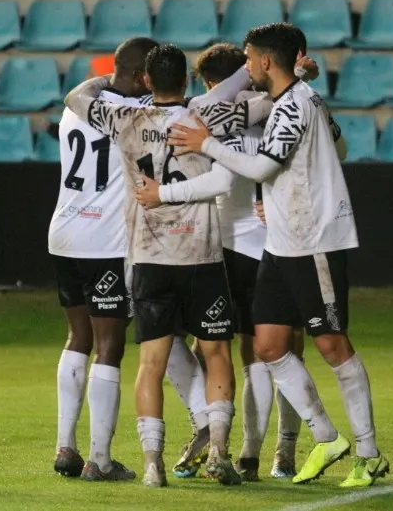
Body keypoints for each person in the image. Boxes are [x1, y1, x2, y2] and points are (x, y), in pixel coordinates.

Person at [167, 24, 390, 488]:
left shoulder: (294, 104)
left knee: (332, 345)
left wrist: (205, 143)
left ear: (266, 61)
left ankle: (368, 453)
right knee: (268, 347)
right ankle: (326, 438)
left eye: (250, 58)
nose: (247, 66)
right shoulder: (294, 100)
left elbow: (263, 166)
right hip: (280, 243)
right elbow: (336, 147)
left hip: (314, 241)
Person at [63, 43, 274, 488]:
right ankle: (218, 451)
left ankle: (152, 465)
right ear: (185, 80)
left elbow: (75, 98)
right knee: (216, 353)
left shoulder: (124, 118)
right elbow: (258, 105)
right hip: (200, 255)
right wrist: (265, 74)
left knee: (151, 363)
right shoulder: (205, 115)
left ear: (145, 80)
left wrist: (109, 77)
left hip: (148, 258)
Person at [133, 42, 314, 482]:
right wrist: (298, 78)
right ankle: (277, 451)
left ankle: (221, 440)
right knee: (281, 350)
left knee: (208, 347)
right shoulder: (280, 110)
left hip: (223, 246)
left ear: (210, 82)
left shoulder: (204, 113)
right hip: (278, 244)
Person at [47, 37, 158, 481]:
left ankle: (65, 447)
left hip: (64, 234)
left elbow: (83, 91)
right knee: (109, 346)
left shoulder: (75, 109)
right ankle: (100, 459)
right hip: (106, 243)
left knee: (77, 337)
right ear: (141, 76)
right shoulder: (135, 114)